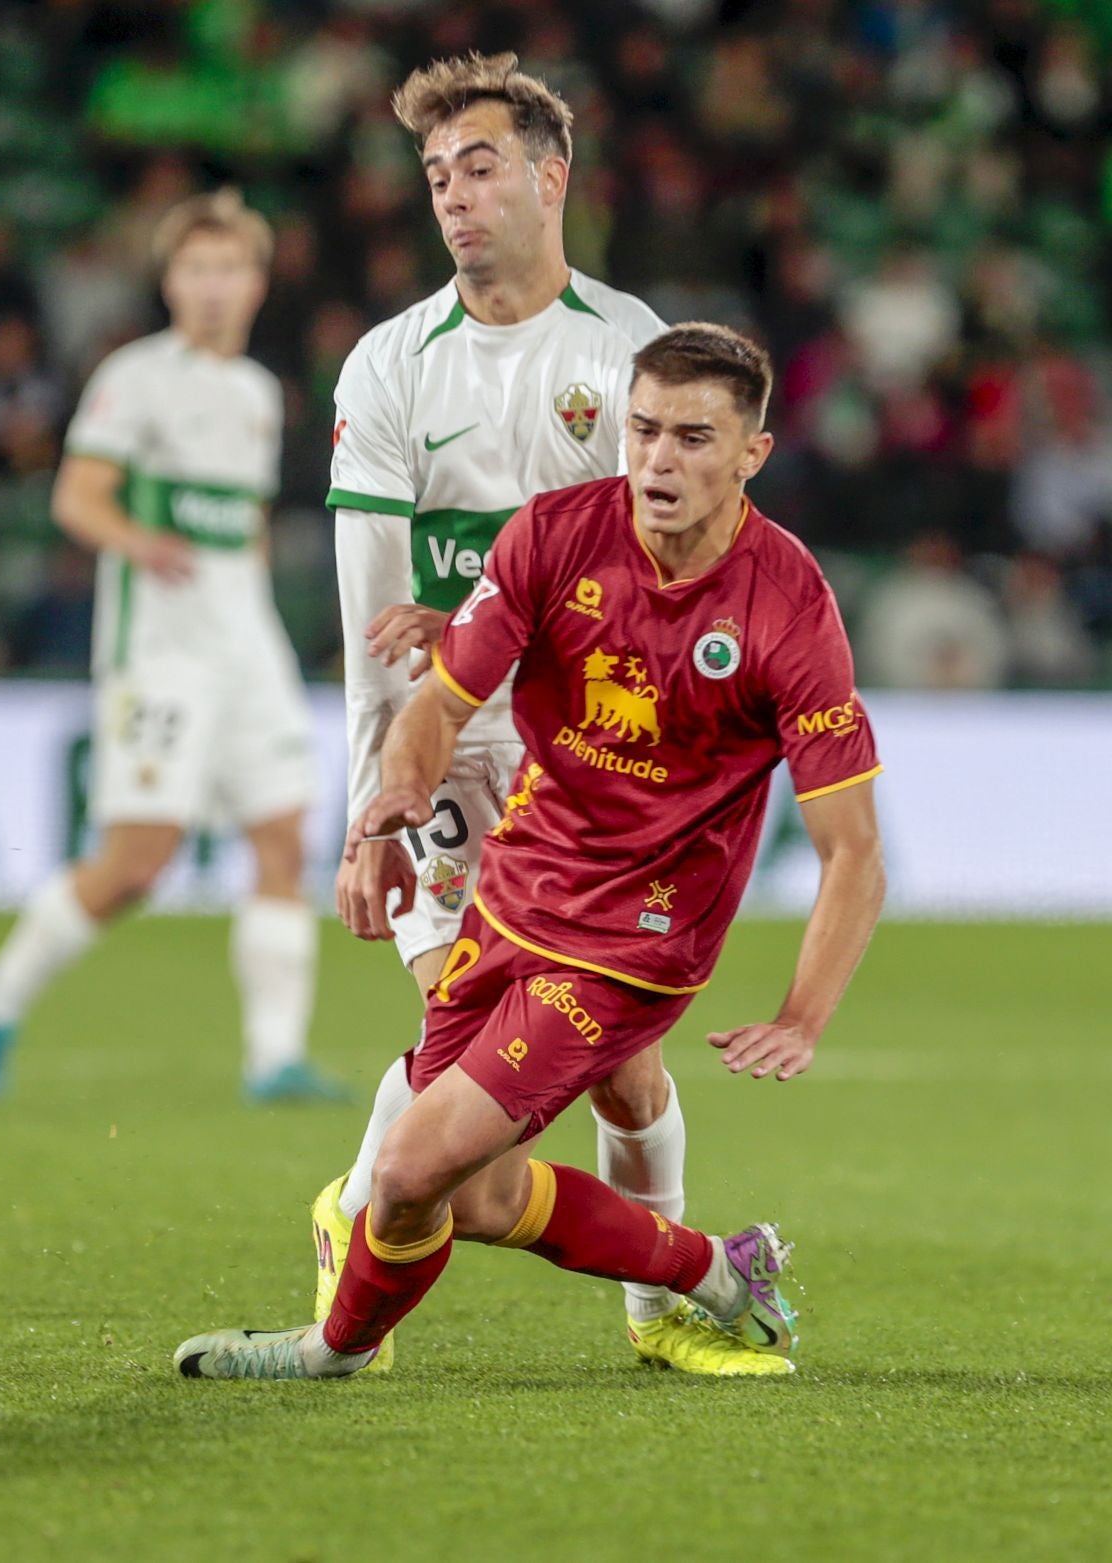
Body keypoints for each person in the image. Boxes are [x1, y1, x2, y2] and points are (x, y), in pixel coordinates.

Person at [174, 324, 885, 1381]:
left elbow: (851, 851)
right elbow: (442, 698)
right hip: (513, 895)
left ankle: (332, 1352)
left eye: (695, 438)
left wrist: (803, 1015)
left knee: (408, 1166)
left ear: (753, 454)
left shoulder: (787, 605)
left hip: (637, 938)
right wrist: (401, 790)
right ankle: (718, 1276)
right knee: (477, 1195)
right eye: (643, 430)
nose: (659, 460)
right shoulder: (555, 534)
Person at [318, 53, 758, 1374]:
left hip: (592, 764)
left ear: (552, 176)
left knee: (621, 1072)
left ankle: (664, 1298)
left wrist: (487, 621)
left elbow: (669, 587)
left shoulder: (627, 354)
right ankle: (364, 1230)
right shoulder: (389, 366)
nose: (454, 195)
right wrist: (367, 816)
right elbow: (368, 627)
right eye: (437, 174)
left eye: (482, 165)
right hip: (449, 758)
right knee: (459, 1063)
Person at [0, 191, 344, 1105]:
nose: (213, 287)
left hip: (246, 647)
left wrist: (246, 605)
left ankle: (273, 1057)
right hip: (160, 654)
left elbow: (241, 526)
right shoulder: (134, 377)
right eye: (196, 269)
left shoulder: (255, 395)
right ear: (170, 280)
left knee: (284, 836)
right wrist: (138, 542)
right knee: (138, 864)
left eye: (230, 269)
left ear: (256, 282)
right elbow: (75, 497)